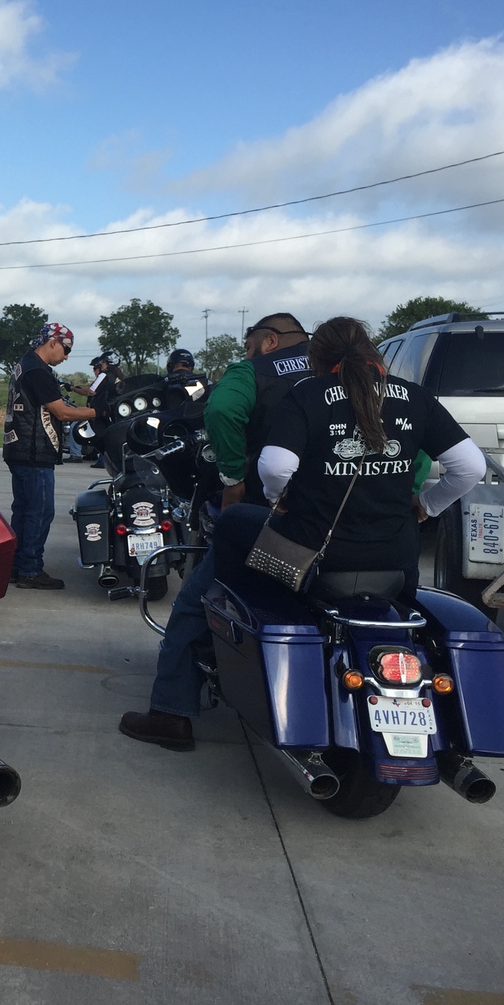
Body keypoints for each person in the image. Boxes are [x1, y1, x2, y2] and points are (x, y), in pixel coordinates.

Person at [120, 312, 309, 750]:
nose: (245, 350)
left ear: (268, 341)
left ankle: (171, 712)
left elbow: (222, 410)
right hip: (339, 524)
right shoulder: (338, 373)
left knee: (195, 601)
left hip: (265, 518)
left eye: (248, 342)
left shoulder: (253, 372)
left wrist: (232, 477)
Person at [210, 316, 484, 610]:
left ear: (316, 358)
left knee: (232, 519)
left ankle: (233, 613)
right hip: (396, 557)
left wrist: (277, 497)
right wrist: (427, 504)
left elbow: (275, 467)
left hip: (316, 552)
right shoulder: (415, 396)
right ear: (371, 351)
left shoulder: (306, 394)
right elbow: (471, 467)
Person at [2, 323, 96, 589]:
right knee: (40, 512)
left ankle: (16, 565)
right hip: (34, 452)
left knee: (23, 510)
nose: (66, 357)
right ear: (53, 342)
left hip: (18, 449)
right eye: (66, 350)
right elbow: (62, 412)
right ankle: (31, 570)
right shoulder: (38, 371)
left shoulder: (25, 364)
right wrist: (98, 412)